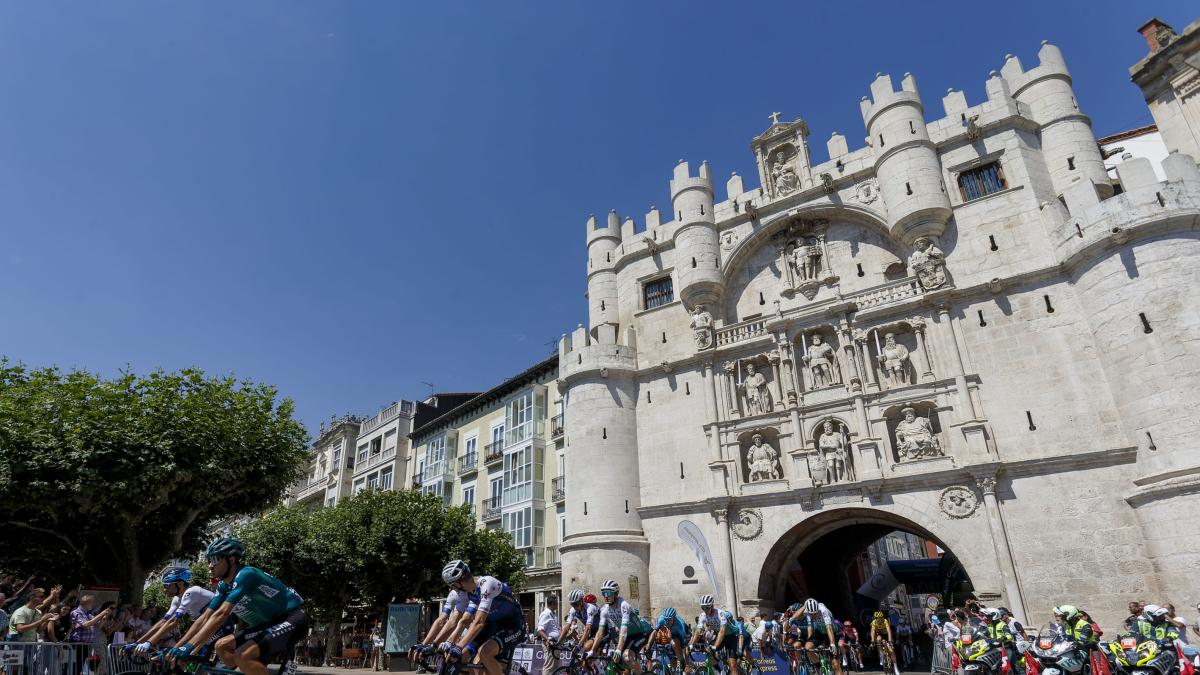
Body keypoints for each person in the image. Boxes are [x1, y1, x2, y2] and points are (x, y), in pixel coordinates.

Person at [169, 538, 308, 675]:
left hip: (292, 618)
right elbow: (206, 617)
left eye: (215, 559)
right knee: (221, 646)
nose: (210, 565)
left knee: (243, 655)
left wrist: (190, 647)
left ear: (231, 560)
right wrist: (177, 648)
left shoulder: (245, 574)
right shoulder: (223, 586)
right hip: (269, 624)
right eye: (209, 560)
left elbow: (221, 615)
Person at [442, 560, 525, 675]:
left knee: (485, 653)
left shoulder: (486, 584)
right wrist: (447, 643)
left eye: (452, 584)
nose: (452, 588)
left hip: (514, 625)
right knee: (463, 657)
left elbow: (479, 622)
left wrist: (458, 647)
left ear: (459, 581)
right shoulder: (467, 592)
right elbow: (463, 620)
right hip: (496, 625)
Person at [590, 580, 648, 675]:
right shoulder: (605, 609)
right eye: (604, 593)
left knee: (627, 656)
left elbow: (623, 630)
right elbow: (600, 632)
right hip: (628, 636)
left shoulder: (624, 606)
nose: (606, 596)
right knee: (619, 663)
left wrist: (619, 650)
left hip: (639, 634)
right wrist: (592, 650)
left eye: (609, 593)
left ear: (616, 594)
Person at [687, 595, 738, 675]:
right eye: (703, 608)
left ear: (712, 606)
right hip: (720, 638)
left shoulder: (720, 613)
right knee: (708, 651)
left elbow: (722, 631)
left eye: (707, 607)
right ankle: (719, 671)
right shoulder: (703, 616)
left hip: (731, 637)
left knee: (732, 665)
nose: (705, 610)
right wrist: (691, 645)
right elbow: (698, 631)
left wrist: (715, 646)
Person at [537, 595, 561, 675]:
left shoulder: (554, 614)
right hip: (550, 644)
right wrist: (548, 639)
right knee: (549, 666)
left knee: (555, 667)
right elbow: (540, 630)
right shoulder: (545, 614)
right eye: (557, 603)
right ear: (553, 604)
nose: (557, 604)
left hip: (556, 643)